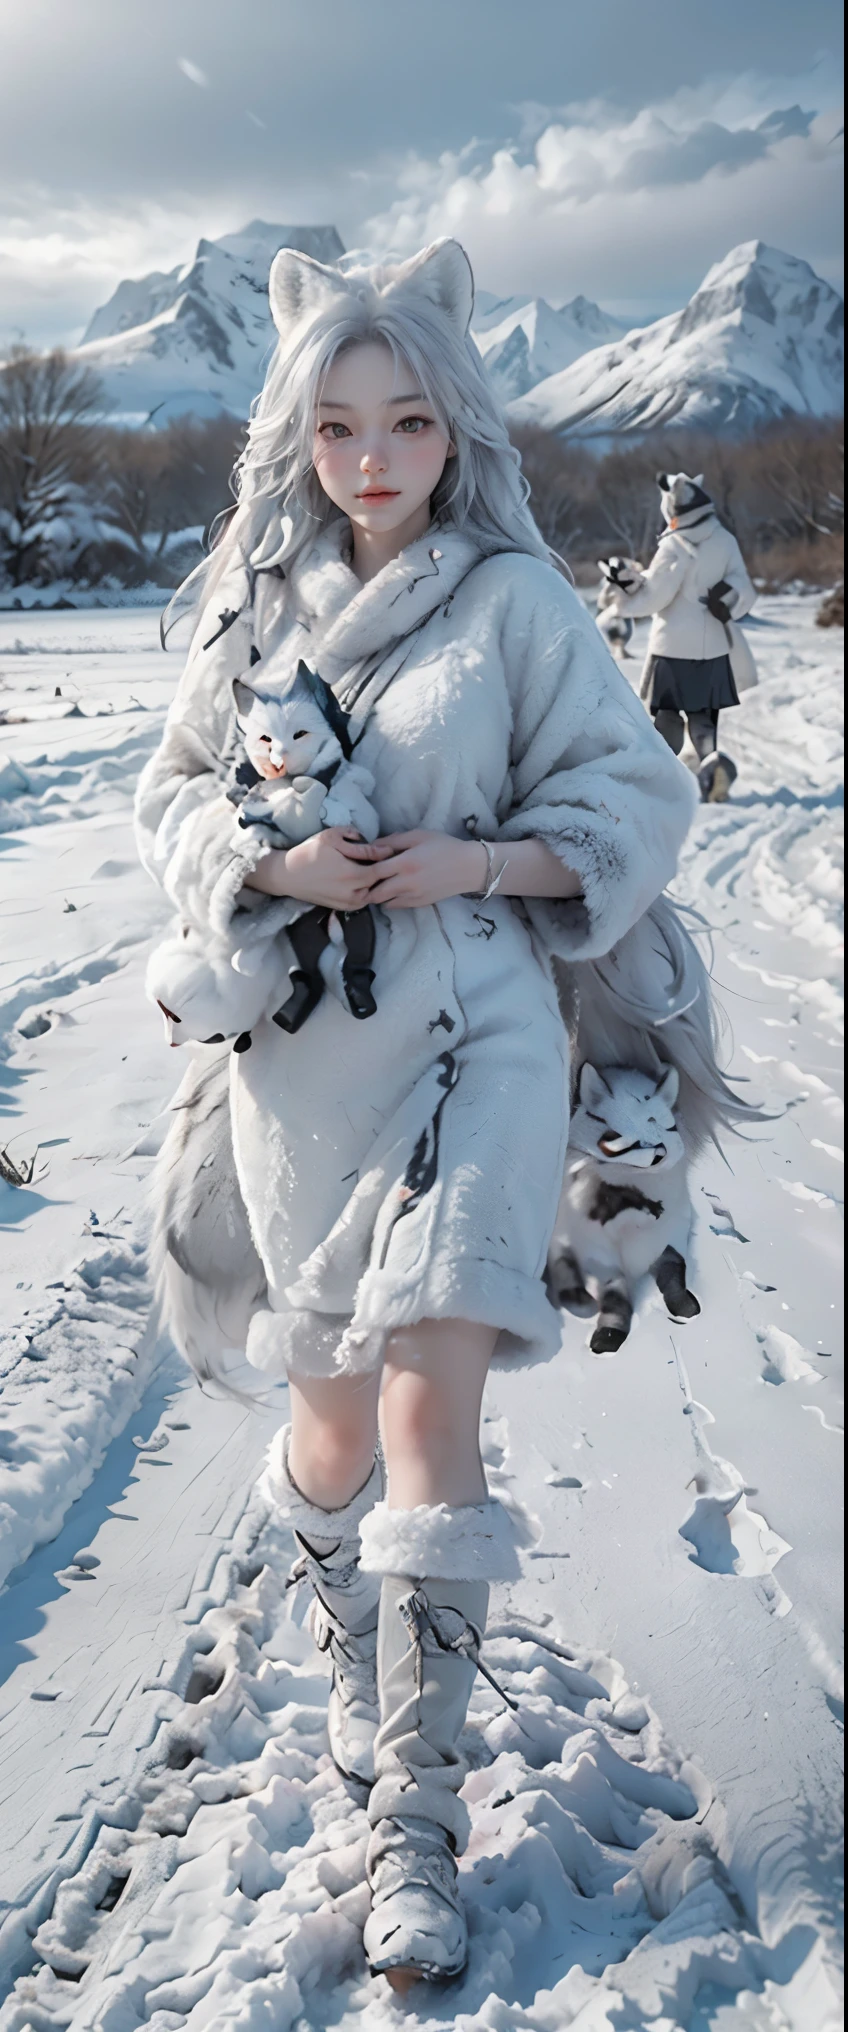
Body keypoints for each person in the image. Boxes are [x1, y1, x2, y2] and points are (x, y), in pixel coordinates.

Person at [135, 240, 708, 1988]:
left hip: (479, 1031)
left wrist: (476, 857)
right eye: (335, 428)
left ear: (453, 427)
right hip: (303, 1068)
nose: (372, 458)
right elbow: (166, 794)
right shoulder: (248, 608)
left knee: (423, 1413)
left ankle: (414, 1827)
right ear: (295, 439)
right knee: (327, 1439)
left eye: (404, 422)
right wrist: (266, 856)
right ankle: (343, 1649)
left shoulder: (522, 606)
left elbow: (636, 793)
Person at [605, 472, 757, 802]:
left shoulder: (675, 546)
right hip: (712, 646)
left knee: (668, 716)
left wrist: (623, 595)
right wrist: (728, 598)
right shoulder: (724, 539)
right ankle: (710, 767)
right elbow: (745, 588)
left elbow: (656, 597)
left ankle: (661, 778)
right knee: (703, 715)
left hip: (672, 646)